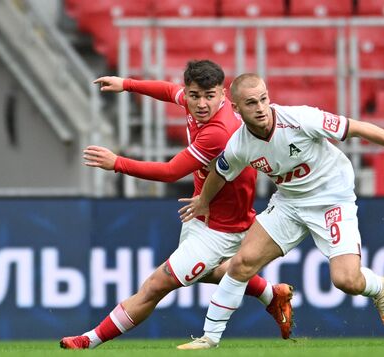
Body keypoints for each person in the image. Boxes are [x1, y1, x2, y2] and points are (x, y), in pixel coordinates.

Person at [176, 73, 384, 350]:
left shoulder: (300, 119)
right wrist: (203, 200)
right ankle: (209, 338)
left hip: (331, 198)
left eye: (263, 99)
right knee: (242, 263)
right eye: (251, 103)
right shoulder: (239, 144)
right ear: (236, 108)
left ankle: (378, 286)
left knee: (346, 280)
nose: (261, 108)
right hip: (290, 202)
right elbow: (221, 172)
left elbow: (357, 128)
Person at [59, 61, 293, 349]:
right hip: (202, 213)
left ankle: (88, 341)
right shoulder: (192, 101)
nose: (202, 104)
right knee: (207, 273)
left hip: (221, 230)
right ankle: (271, 294)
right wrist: (127, 84)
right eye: (195, 96)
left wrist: (117, 163)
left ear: (223, 96)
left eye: (210, 96)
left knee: (156, 286)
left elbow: (170, 172)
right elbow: (170, 91)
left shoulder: (220, 130)